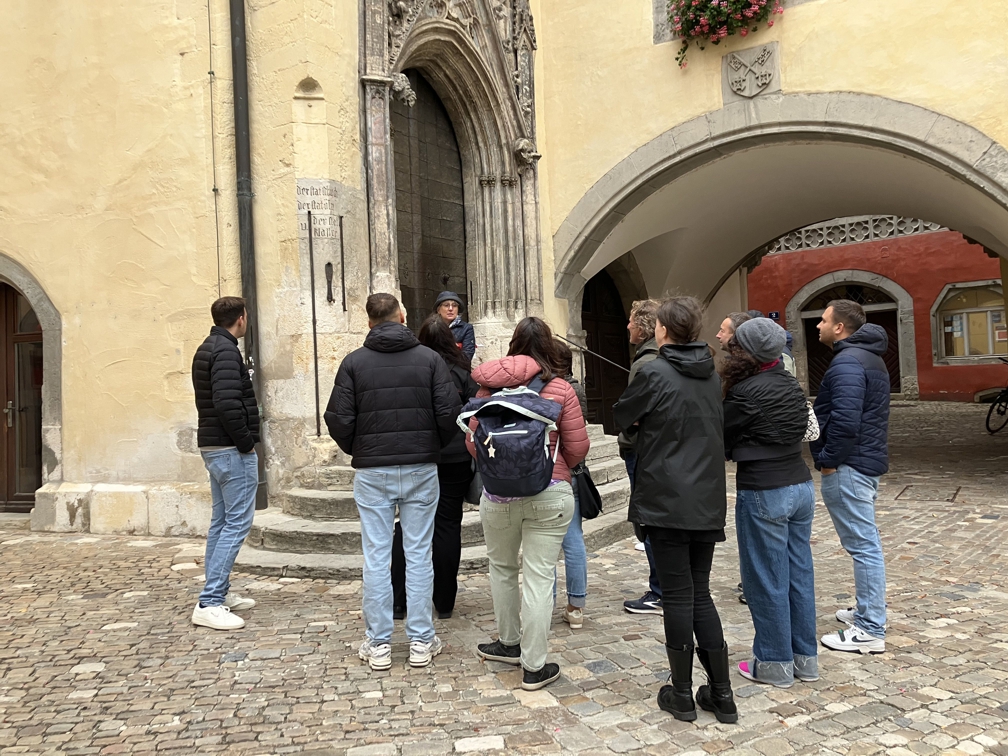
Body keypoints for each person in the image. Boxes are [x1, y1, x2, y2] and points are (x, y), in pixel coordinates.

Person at [613, 297, 737, 724]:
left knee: (680, 596)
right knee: (699, 592)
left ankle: (682, 692)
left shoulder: (653, 370)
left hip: (665, 497)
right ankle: (722, 693)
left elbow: (622, 416)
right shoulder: (709, 374)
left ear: (664, 330)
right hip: (704, 499)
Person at [325, 293, 461, 671]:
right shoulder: (430, 359)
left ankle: (379, 642)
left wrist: (360, 448)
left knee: (376, 555)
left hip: (373, 470)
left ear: (369, 322)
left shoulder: (354, 363)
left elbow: (337, 418)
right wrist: (430, 444)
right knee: (418, 554)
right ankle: (420, 640)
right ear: (402, 316)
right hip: (419, 466)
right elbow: (450, 411)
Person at [471, 317, 590, 691]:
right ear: (550, 348)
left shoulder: (488, 388)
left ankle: (508, 643)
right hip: (549, 491)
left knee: (503, 569)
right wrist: (560, 469)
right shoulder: (559, 388)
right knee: (539, 576)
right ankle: (534, 667)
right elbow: (578, 446)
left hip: (497, 495)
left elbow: (472, 442)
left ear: (513, 347)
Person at [722, 318, 818, 688]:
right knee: (799, 574)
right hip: (800, 485)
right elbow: (808, 430)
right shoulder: (791, 385)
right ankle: (804, 659)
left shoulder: (745, 391)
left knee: (765, 577)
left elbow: (722, 433)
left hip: (764, 487)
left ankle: (774, 661)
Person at [811, 300, 890, 655]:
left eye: (823, 320)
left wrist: (827, 460)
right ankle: (865, 611)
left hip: (849, 466)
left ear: (839, 327)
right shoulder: (868, 357)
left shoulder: (847, 362)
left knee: (863, 546)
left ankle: (870, 628)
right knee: (865, 542)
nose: (818, 326)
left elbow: (844, 421)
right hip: (863, 463)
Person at [391, 315, 479, 620]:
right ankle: (444, 601)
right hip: (454, 456)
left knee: (408, 527)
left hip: (418, 454)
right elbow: (475, 412)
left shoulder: (411, 368)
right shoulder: (462, 371)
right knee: (447, 527)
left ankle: (398, 601)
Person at [190, 296, 261, 631]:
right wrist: (246, 444)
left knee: (221, 522)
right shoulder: (225, 351)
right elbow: (226, 402)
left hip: (214, 445)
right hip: (230, 448)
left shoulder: (210, 346)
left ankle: (219, 591)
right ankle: (211, 601)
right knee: (236, 524)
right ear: (241, 318)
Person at [617, 299, 665, 615]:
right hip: (656, 450)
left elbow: (634, 414)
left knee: (648, 520)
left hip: (641, 450)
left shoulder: (644, 363)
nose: (628, 326)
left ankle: (659, 591)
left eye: (632, 321)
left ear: (644, 327)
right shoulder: (659, 358)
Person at [553, 340, 588, 629]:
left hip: (557, 468)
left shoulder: (557, 389)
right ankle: (576, 607)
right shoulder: (575, 386)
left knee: (548, 546)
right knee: (573, 539)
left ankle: (545, 601)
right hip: (572, 469)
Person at [434, 291, 476, 361]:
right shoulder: (432, 327)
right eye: (446, 305)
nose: (450, 309)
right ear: (438, 310)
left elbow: (467, 356)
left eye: (454, 305)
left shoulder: (466, 328)